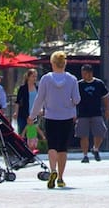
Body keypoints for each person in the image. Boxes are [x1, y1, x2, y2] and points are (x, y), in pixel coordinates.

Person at [31, 51, 80, 189]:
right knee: (63, 148)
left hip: (51, 117)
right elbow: (77, 99)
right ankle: (60, 177)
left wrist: (32, 115)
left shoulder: (46, 79)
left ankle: (52, 170)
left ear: (52, 63)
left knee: (52, 146)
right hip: (67, 117)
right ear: (65, 63)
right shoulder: (72, 79)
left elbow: (39, 99)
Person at [76, 64, 109, 163]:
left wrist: (107, 109)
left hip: (96, 112)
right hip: (83, 113)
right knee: (83, 135)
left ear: (90, 73)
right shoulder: (79, 84)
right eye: (82, 73)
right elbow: (74, 99)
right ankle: (85, 155)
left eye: (85, 73)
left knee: (100, 132)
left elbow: (105, 97)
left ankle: (95, 149)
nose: (83, 75)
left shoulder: (99, 83)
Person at [14, 68, 38, 132]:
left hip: (33, 116)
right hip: (23, 115)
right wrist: (16, 112)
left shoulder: (37, 88)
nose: (35, 78)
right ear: (28, 77)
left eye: (36, 76)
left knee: (31, 135)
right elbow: (17, 101)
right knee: (22, 135)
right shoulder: (22, 88)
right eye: (33, 76)